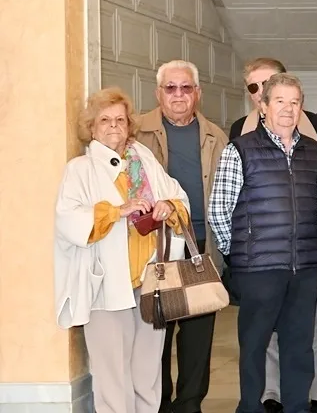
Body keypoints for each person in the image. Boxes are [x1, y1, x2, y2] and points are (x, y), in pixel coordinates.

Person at [55, 87, 190, 413]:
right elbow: (68, 220)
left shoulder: (143, 159)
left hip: (152, 281)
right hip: (108, 286)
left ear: (129, 125)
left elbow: (179, 197)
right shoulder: (80, 169)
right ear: (92, 128)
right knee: (112, 376)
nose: (114, 126)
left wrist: (168, 206)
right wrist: (118, 211)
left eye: (120, 120)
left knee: (148, 373)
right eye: (105, 120)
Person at [208, 74, 317, 413]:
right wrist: (239, 253)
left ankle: (297, 407)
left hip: (304, 268)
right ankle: (250, 408)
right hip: (258, 269)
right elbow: (219, 209)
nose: (288, 109)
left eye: (294, 102)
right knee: (254, 347)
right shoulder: (240, 150)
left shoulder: (313, 151)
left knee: (299, 347)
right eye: (280, 101)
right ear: (263, 106)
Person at [136, 61, 229, 413]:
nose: (179, 95)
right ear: (158, 93)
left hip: (200, 248)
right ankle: (158, 404)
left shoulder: (215, 136)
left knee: (198, 338)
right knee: (155, 334)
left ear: (198, 93)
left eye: (186, 88)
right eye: (171, 88)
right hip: (155, 251)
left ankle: (190, 405)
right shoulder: (136, 133)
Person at [229, 58, 317, 142]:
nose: (261, 92)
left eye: (267, 84)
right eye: (253, 87)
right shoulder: (239, 128)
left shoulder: (315, 123)